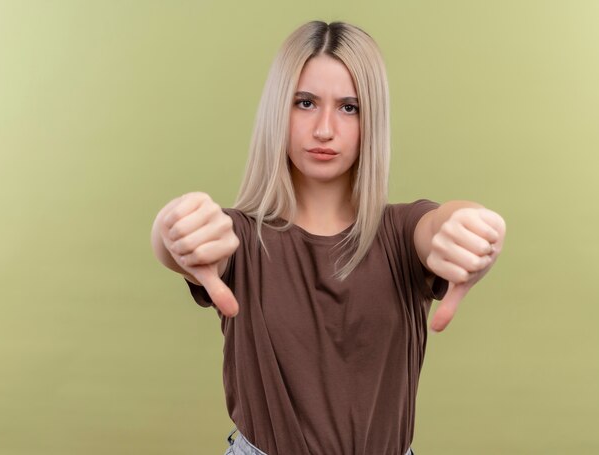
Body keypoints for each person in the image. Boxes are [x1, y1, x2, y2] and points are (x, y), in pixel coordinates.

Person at [151, 21, 505, 455]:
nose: (324, 129)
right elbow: (179, 244)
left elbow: (439, 226)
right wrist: (171, 229)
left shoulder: (401, 234)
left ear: (371, 118)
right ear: (278, 109)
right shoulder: (238, 239)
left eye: (349, 107)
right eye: (305, 103)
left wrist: (473, 227)